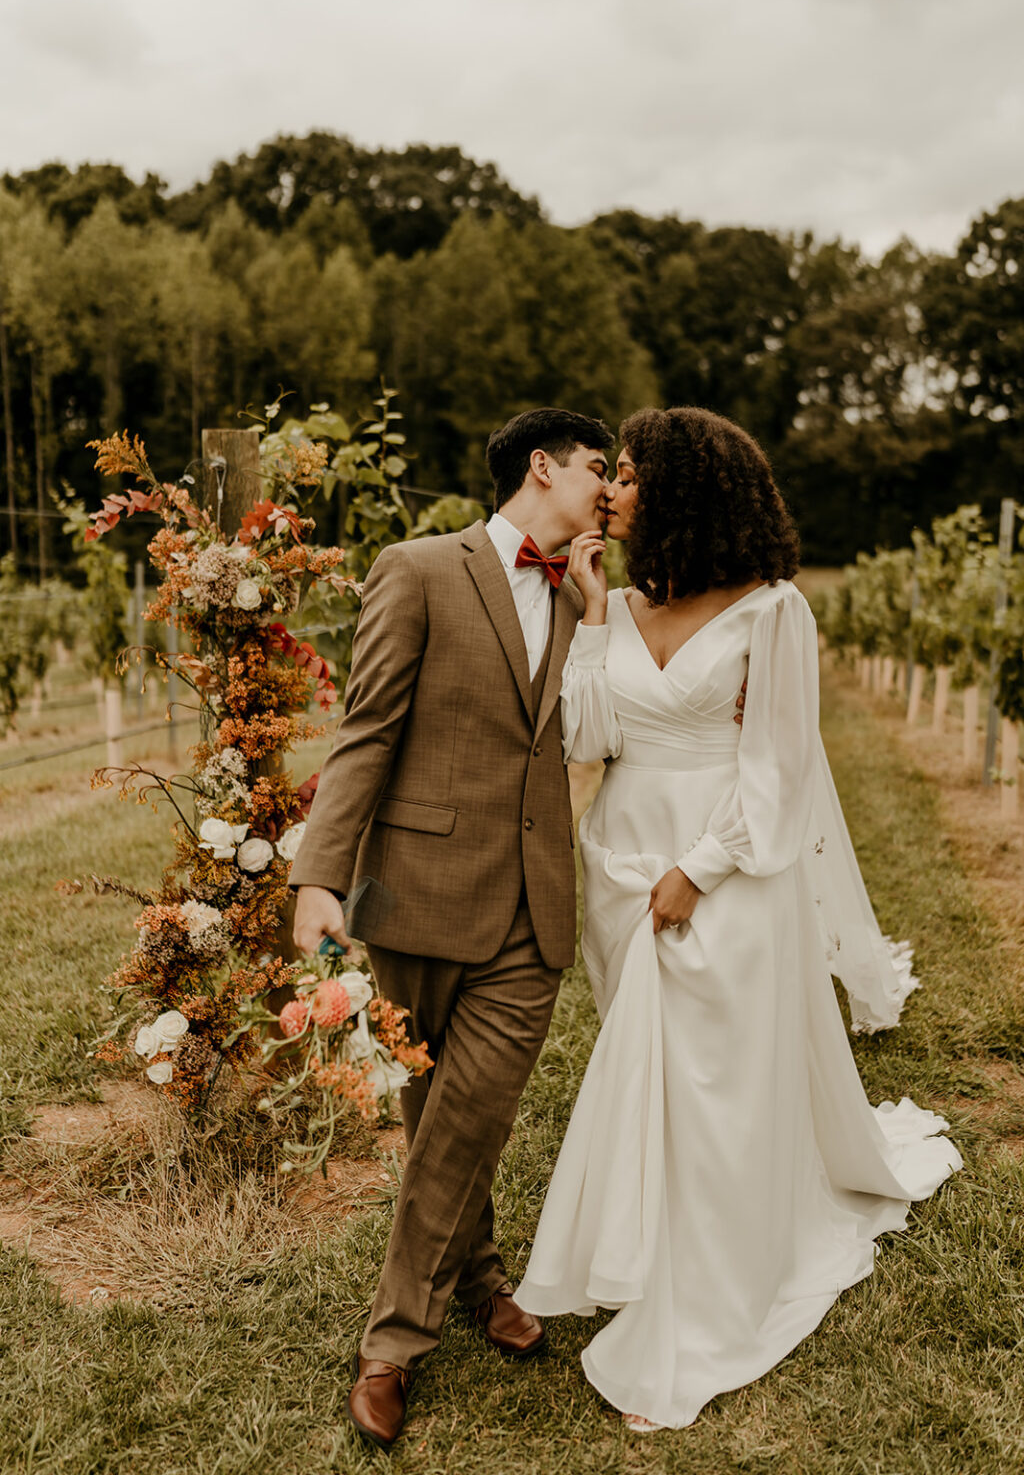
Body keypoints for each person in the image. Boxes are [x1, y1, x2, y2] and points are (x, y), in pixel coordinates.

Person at [514, 406, 962, 1432]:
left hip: (728, 869)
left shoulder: (771, 612)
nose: (609, 489)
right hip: (622, 863)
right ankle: (645, 1248)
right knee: (653, 1080)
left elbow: (780, 773)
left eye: (628, 474)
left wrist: (700, 870)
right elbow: (588, 738)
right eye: (610, 473)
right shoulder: (613, 606)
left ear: (685, 490)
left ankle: (699, 1297)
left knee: (713, 1083)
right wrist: (588, 615)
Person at [288, 407, 615, 1452]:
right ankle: (477, 1276)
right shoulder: (420, 567)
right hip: (410, 892)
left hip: (535, 903)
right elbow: (367, 727)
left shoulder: (590, 597)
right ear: (542, 467)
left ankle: (391, 1344)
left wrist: (602, 619)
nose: (608, 488)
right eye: (597, 469)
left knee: (469, 1118)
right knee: (434, 1113)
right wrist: (318, 879)